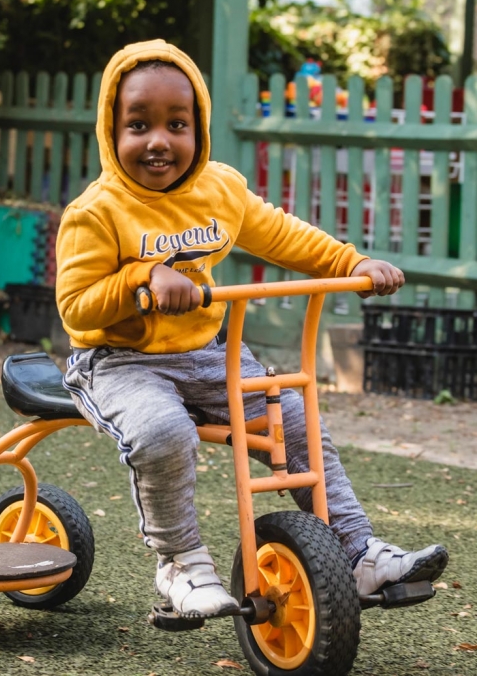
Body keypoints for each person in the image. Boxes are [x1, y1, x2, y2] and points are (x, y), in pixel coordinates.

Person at [55, 39, 448, 619]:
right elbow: (76, 309)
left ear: (200, 129)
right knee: (163, 432)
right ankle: (182, 564)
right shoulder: (97, 212)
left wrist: (351, 264)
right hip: (120, 360)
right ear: (110, 132)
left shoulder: (220, 189)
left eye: (177, 124)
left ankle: (358, 552)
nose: (158, 140)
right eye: (138, 125)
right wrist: (142, 277)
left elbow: (286, 236)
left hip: (206, 352)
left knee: (293, 417)